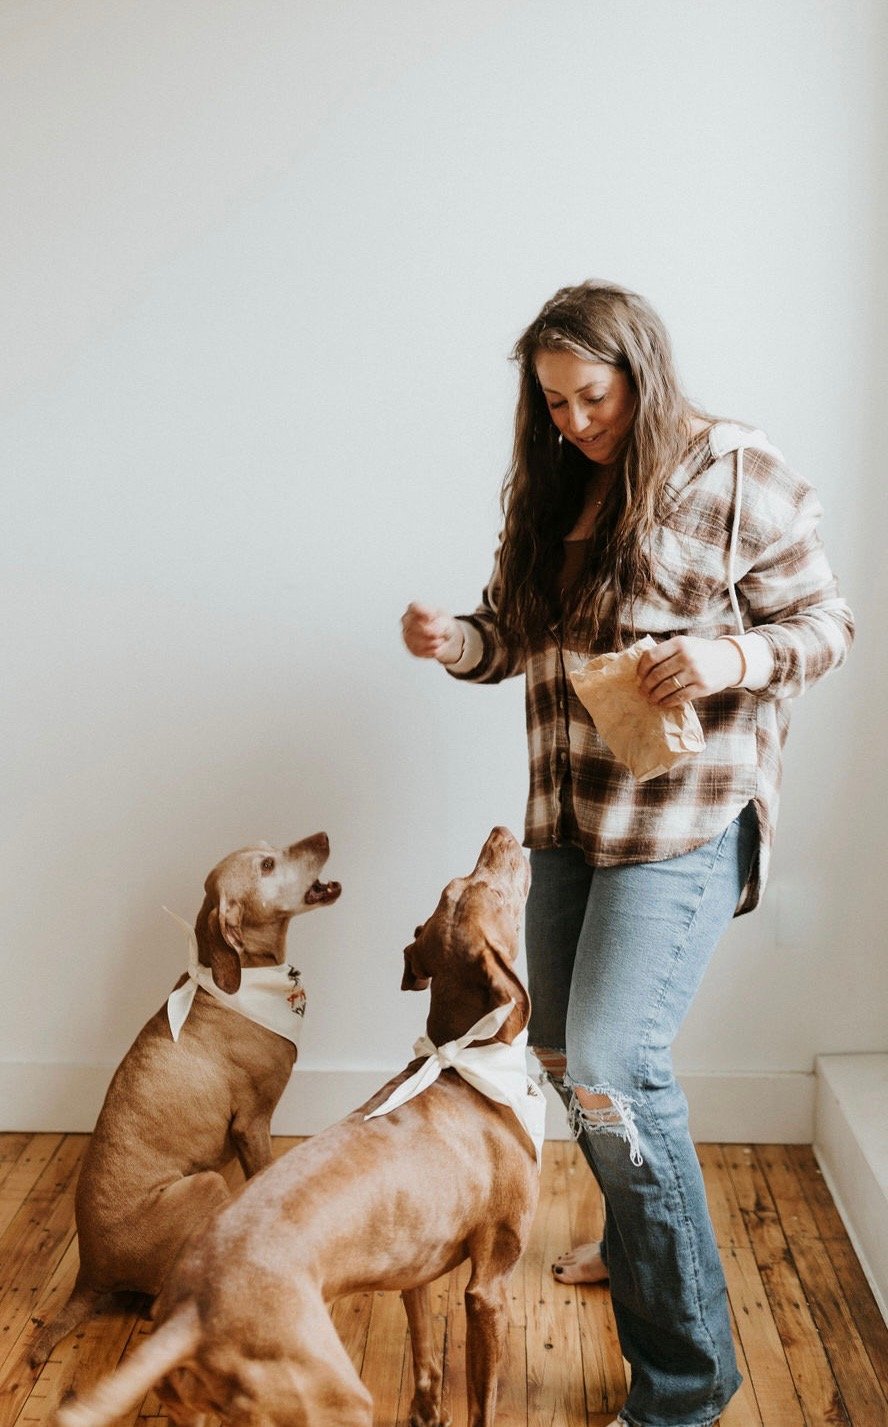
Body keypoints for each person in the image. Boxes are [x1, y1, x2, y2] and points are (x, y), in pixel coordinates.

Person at [400, 280, 854, 1427]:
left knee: (614, 1064)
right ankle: (642, 1238)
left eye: (592, 396)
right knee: (562, 1049)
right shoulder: (560, 483)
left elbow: (826, 625)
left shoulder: (733, 468)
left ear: (641, 373)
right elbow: (515, 635)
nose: (574, 421)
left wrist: (723, 659)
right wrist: (454, 640)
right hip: (570, 814)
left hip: (685, 816)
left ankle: (686, 1384)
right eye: (553, 403)